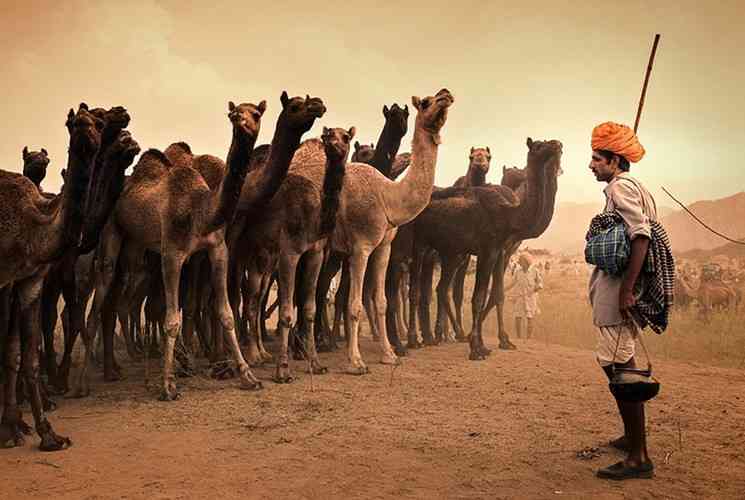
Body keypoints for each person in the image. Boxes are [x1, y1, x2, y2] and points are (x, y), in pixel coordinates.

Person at [587, 121, 656, 480]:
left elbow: (641, 236)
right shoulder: (633, 186)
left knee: (619, 369)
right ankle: (632, 438)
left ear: (615, 160)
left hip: (618, 292)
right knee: (619, 361)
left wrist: (627, 289)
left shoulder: (620, 189)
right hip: (618, 289)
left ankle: (638, 456)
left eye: (598, 158)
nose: (592, 165)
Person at [506, 253, 543, 339]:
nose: (520, 264)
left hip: (531, 298)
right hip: (520, 297)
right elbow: (512, 283)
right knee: (517, 317)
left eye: (521, 262)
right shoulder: (518, 272)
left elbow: (540, 284)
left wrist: (535, 289)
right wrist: (502, 290)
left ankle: (528, 339)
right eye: (520, 262)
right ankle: (518, 337)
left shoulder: (535, 271)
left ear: (526, 262)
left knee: (530, 317)